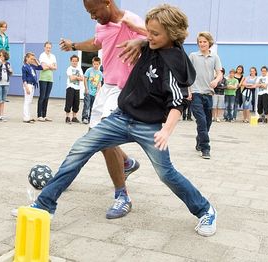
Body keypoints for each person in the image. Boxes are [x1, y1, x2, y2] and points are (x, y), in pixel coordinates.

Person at [21, 4, 217, 237]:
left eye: (154, 34)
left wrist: (166, 131)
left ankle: (205, 209)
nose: (148, 36)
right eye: (149, 32)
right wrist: (143, 41)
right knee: (80, 149)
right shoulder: (152, 44)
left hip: (150, 127)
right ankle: (44, 206)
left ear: (171, 34)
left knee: (166, 174)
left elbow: (178, 102)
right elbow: (135, 31)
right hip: (121, 117)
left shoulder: (174, 63)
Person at [58, 0, 144, 219]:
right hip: (106, 88)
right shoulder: (101, 26)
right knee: (95, 137)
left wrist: (140, 43)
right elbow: (97, 43)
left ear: (107, 3)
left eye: (93, 11)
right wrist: (74, 45)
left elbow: (157, 38)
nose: (92, 16)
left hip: (125, 90)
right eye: (89, 13)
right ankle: (126, 162)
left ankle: (123, 196)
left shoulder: (129, 20)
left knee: (106, 139)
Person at [189, 32, 223, 159]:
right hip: (196, 93)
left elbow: (220, 73)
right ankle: (205, 148)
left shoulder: (214, 57)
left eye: (204, 41)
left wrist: (216, 80)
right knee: (202, 121)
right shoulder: (193, 56)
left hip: (208, 93)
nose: (202, 44)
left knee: (208, 122)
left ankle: (200, 139)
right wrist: (188, 91)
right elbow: (187, 74)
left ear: (209, 43)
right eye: (200, 42)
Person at [22, 52, 45, 123]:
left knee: (29, 101)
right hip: (28, 85)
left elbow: (41, 67)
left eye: (33, 59)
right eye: (31, 59)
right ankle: (25, 117)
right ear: (27, 58)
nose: (32, 60)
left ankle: (28, 116)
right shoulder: (25, 67)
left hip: (32, 85)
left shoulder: (32, 66)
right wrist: (26, 87)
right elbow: (24, 78)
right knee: (27, 101)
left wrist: (36, 60)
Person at [38, 41, 57, 122]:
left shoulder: (53, 56)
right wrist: (51, 66)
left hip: (50, 79)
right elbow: (43, 67)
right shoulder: (42, 55)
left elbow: (55, 67)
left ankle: (44, 115)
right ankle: (39, 115)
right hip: (43, 78)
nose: (48, 49)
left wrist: (48, 65)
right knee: (42, 97)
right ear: (44, 47)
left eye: (49, 47)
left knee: (47, 97)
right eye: (47, 47)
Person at [82, 56, 103, 124]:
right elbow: (85, 79)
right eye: (94, 64)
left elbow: (99, 83)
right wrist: (86, 89)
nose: (95, 65)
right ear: (92, 63)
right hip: (88, 92)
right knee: (86, 105)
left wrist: (98, 92)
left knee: (93, 106)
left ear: (99, 64)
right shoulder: (89, 70)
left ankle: (91, 118)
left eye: (97, 64)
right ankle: (85, 118)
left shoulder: (100, 73)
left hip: (94, 93)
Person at [64, 55, 83, 124]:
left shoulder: (79, 69)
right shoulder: (69, 69)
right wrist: (78, 77)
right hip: (70, 87)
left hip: (77, 88)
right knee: (69, 102)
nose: (74, 62)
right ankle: (67, 117)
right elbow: (71, 78)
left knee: (76, 103)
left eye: (76, 61)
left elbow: (82, 78)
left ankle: (74, 117)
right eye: (73, 61)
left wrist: (76, 77)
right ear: (71, 61)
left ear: (77, 61)